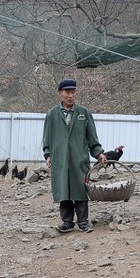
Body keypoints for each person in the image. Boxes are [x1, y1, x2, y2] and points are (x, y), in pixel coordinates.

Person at [43, 78, 106, 233]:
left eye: (73, 92)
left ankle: (83, 221)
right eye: (67, 92)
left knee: (80, 189)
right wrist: (48, 154)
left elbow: (92, 137)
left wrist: (98, 153)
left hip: (79, 159)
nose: (70, 95)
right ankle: (67, 222)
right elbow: (47, 137)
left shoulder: (84, 113)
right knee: (63, 189)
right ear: (60, 94)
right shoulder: (51, 114)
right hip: (60, 158)